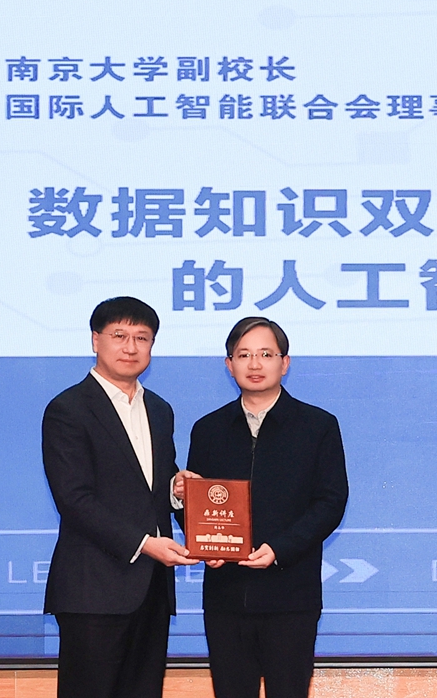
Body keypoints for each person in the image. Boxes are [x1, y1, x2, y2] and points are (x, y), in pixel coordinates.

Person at [175, 316, 348, 698]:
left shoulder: (317, 426)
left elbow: (331, 501)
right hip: (225, 596)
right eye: (244, 355)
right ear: (229, 364)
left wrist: (279, 549)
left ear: (285, 363)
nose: (255, 364)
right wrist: (194, 525)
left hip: (291, 595)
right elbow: (197, 503)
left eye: (266, 354)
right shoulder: (208, 429)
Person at [42, 296, 198, 698]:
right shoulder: (68, 409)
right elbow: (74, 499)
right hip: (93, 590)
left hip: (152, 590)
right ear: (96, 340)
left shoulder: (159, 409)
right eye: (119, 335)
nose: (131, 347)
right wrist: (145, 544)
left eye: (142, 338)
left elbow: (153, 486)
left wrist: (177, 492)